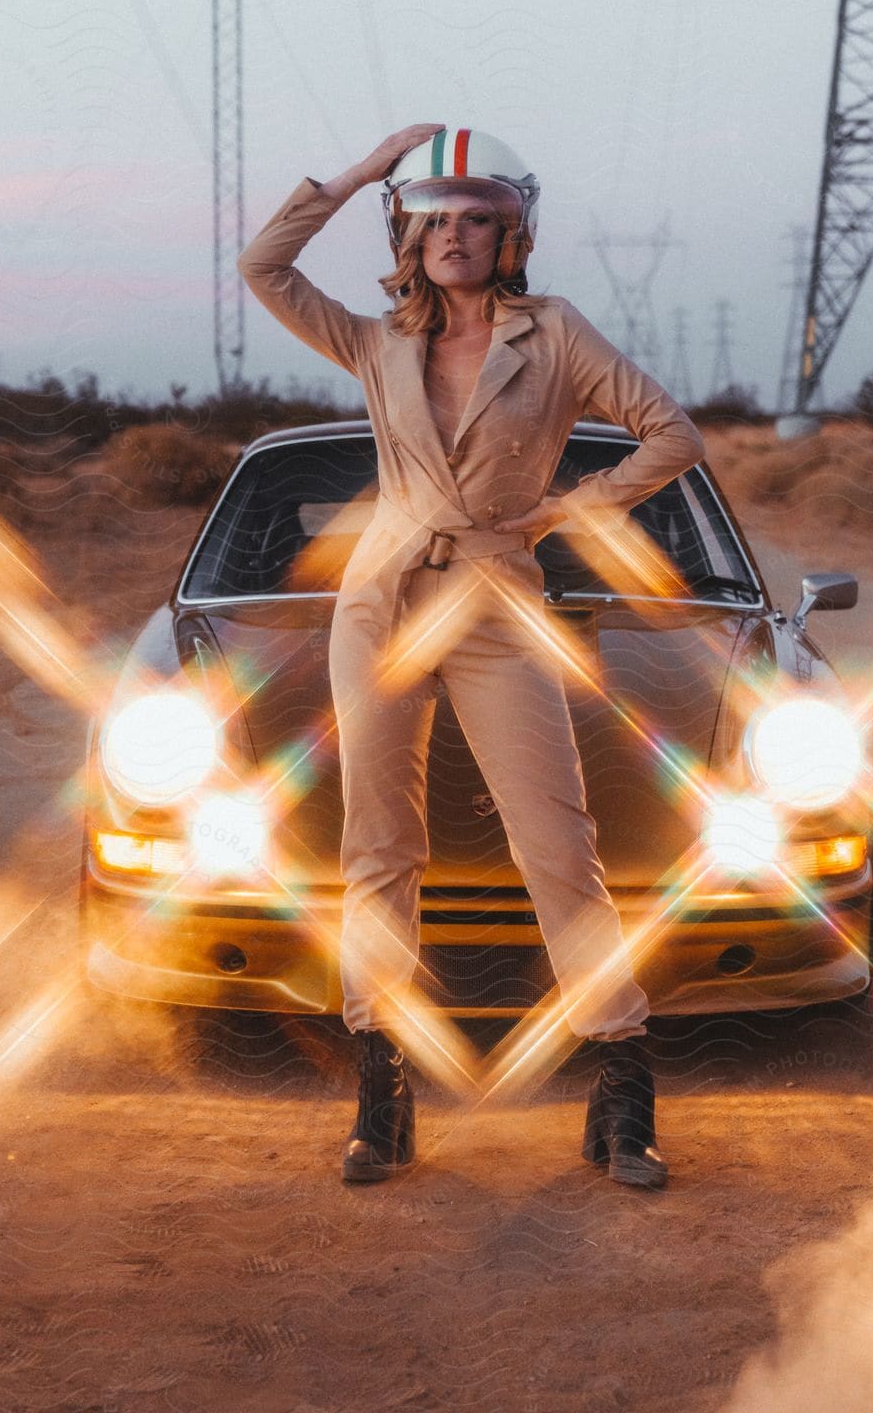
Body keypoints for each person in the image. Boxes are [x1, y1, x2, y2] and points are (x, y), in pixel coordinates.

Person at [238, 123, 704, 1189]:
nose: (455, 234)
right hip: (383, 603)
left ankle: (623, 1081)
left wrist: (568, 510)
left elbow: (672, 433)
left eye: (478, 216)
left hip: (497, 597)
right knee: (379, 845)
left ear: (512, 233)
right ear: (409, 228)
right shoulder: (374, 340)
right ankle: (382, 1089)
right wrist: (355, 177)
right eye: (434, 215)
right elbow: (262, 266)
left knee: (557, 838)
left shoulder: (556, 334)